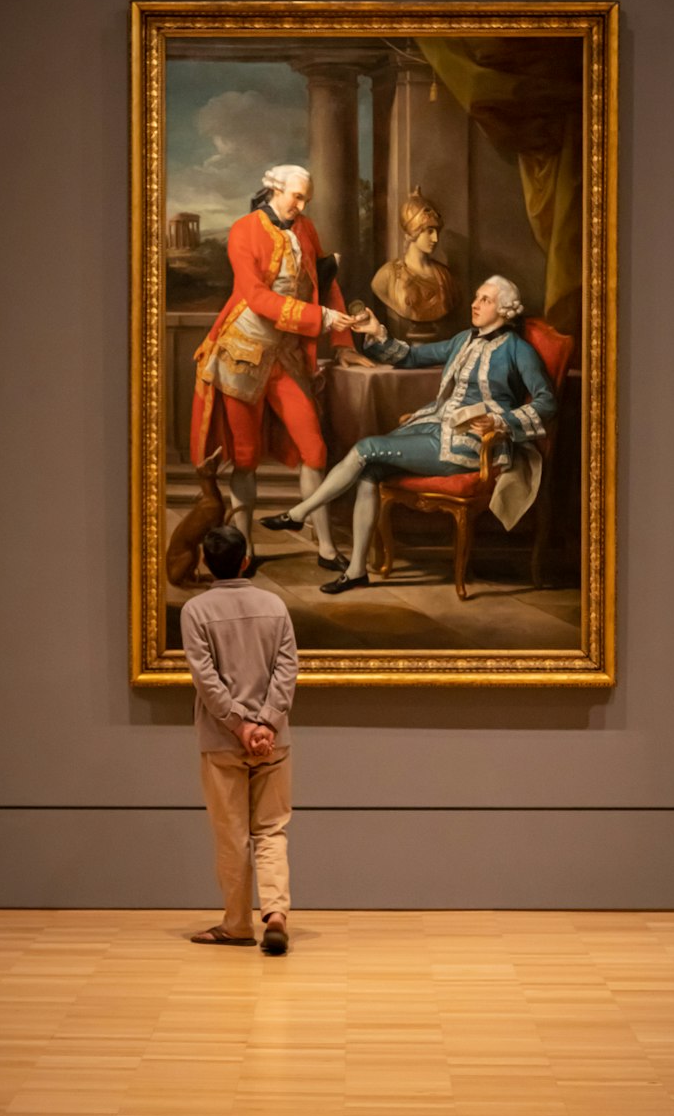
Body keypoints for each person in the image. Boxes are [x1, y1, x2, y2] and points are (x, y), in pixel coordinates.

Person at [262, 276, 556, 593]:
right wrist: (376, 332)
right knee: (371, 470)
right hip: (437, 428)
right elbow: (412, 357)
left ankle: (298, 513)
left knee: (366, 448)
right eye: (476, 296)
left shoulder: (517, 350)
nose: (475, 303)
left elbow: (546, 402)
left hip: (471, 446)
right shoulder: (463, 340)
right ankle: (357, 570)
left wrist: (498, 423)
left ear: (504, 309)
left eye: (484, 299)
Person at [190, 164, 357, 573]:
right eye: (296, 197)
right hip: (241, 354)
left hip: (285, 354)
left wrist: (342, 340)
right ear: (273, 190)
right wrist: (321, 319)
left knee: (314, 449)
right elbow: (257, 298)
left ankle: (326, 546)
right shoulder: (243, 230)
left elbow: (325, 280)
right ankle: (243, 548)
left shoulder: (306, 229)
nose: (301, 206)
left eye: (306, 199)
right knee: (245, 458)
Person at [180, 524, 298, 955]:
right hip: (274, 742)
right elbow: (287, 671)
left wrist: (239, 726)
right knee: (271, 831)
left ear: (206, 563)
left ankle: (236, 925)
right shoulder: (274, 605)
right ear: (245, 560)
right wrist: (264, 723)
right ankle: (277, 915)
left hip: (221, 742)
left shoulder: (195, 611)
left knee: (232, 835)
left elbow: (205, 680)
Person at [370, 186, 459, 331]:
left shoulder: (445, 276)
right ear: (413, 233)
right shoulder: (386, 276)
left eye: (437, 231)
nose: (435, 239)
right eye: (429, 231)